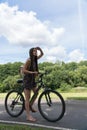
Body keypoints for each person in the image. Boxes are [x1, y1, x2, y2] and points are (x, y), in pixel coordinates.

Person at [22, 47, 44, 122]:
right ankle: (28, 116)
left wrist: (40, 49)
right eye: (33, 51)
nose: (35, 52)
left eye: (36, 51)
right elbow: (23, 70)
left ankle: (30, 105)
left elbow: (42, 54)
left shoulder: (35, 60)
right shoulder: (29, 60)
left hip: (32, 80)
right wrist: (32, 73)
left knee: (36, 93)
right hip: (27, 80)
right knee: (27, 99)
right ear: (31, 52)